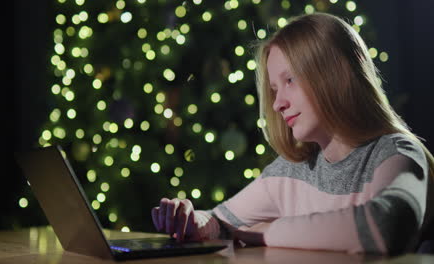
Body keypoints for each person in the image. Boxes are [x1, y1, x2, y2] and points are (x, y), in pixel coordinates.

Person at [151, 13, 434, 255]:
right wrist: (191, 221)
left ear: (336, 73)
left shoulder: (396, 152)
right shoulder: (292, 171)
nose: (277, 103)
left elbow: (385, 227)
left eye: (290, 80)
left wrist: (266, 232)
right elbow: (219, 221)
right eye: (275, 89)